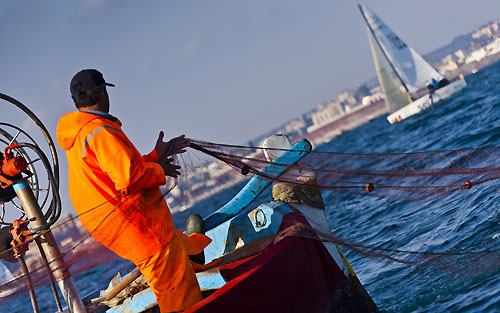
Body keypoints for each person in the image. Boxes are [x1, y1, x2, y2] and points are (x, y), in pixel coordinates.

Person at [56, 69, 211, 312]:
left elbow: (117, 171)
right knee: (174, 287)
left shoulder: (80, 132)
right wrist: (159, 170)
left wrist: (155, 156)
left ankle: (194, 256)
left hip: (114, 225)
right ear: (102, 93)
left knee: (175, 249)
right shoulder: (100, 131)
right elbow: (127, 176)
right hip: (136, 224)